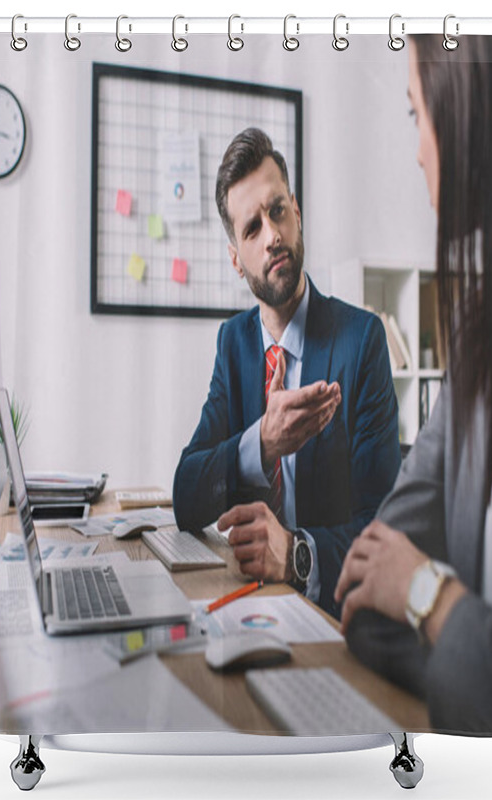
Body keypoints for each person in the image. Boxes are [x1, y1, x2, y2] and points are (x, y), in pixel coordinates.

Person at [334, 35, 492, 734]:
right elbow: (368, 584)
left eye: (419, 114)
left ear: (472, 109)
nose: (418, 148)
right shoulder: (486, 341)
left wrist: (433, 600)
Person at [173, 128, 401, 618]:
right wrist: (262, 443)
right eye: (252, 228)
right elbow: (186, 493)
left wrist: (296, 554)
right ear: (236, 258)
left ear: (297, 214)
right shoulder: (233, 343)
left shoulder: (362, 340)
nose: (272, 234)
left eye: (278, 211)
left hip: (334, 615)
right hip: (249, 607)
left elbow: (382, 532)